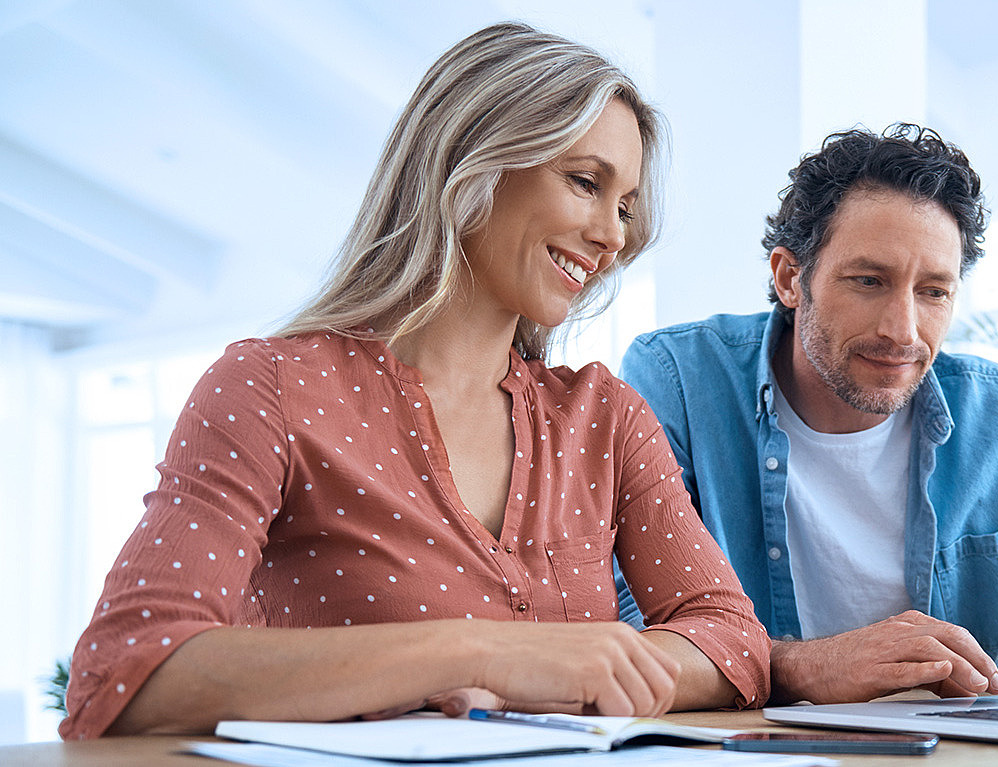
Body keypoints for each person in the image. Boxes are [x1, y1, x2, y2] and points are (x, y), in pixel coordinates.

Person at [59, 23, 769, 740]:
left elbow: (733, 640)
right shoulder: (268, 388)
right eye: (586, 183)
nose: (614, 236)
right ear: (473, 161)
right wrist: (479, 650)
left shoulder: (604, 418)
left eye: (624, 207)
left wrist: (590, 672)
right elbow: (122, 673)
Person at [612, 124, 998, 705]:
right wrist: (805, 667)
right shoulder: (679, 379)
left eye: (934, 292)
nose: (903, 331)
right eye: (869, 281)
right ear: (790, 277)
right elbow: (629, 631)